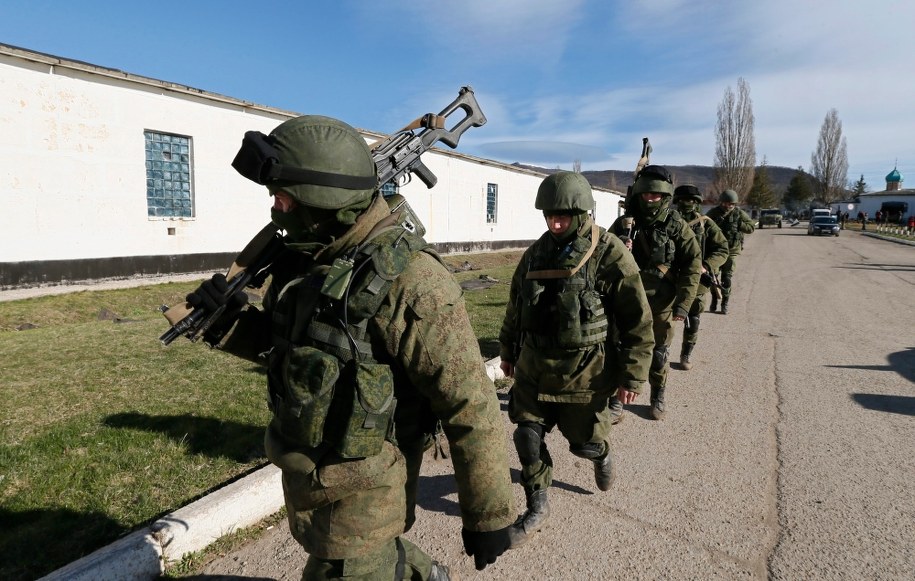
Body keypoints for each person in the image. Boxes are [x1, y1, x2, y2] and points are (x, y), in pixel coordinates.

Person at [186, 115, 515, 580]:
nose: (276, 208)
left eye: (284, 197)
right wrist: (228, 325)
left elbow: (470, 404)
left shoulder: (412, 283)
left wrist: (488, 515)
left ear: (325, 200)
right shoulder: (307, 262)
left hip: (369, 488)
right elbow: (295, 352)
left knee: (348, 567)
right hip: (309, 473)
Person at [498, 171, 653, 545]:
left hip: (584, 374)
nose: (555, 224)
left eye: (563, 217)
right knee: (526, 435)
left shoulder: (609, 252)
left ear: (582, 213)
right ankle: (537, 505)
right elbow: (516, 306)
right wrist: (508, 352)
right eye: (550, 216)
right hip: (534, 368)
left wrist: (632, 376)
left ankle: (600, 454)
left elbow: (637, 319)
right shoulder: (536, 253)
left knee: (582, 443)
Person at [609, 165, 701, 420]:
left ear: (665, 196)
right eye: (646, 194)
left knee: (659, 354)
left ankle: (657, 395)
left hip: (661, 302)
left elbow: (692, 264)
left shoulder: (676, 225)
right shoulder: (624, 223)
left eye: (656, 195)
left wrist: (683, 304)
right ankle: (617, 399)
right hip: (627, 300)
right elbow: (601, 252)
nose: (650, 199)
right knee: (620, 348)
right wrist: (619, 246)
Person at [672, 184, 730, 370]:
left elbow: (722, 249)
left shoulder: (705, 223)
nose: (686, 203)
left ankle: (686, 354)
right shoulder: (668, 220)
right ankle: (660, 353)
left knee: (693, 317)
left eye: (690, 200)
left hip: (695, 279)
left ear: (696, 202)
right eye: (683, 200)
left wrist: (706, 266)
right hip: (668, 278)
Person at [705, 189, 755, 315]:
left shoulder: (739, 213)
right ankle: (714, 299)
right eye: (726, 203)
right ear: (722, 202)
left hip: (732, 250)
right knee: (713, 276)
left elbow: (751, 227)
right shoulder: (714, 212)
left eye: (731, 204)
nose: (729, 206)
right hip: (715, 251)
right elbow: (703, 225)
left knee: (727, 277)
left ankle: (725, 303)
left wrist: (740, 224)